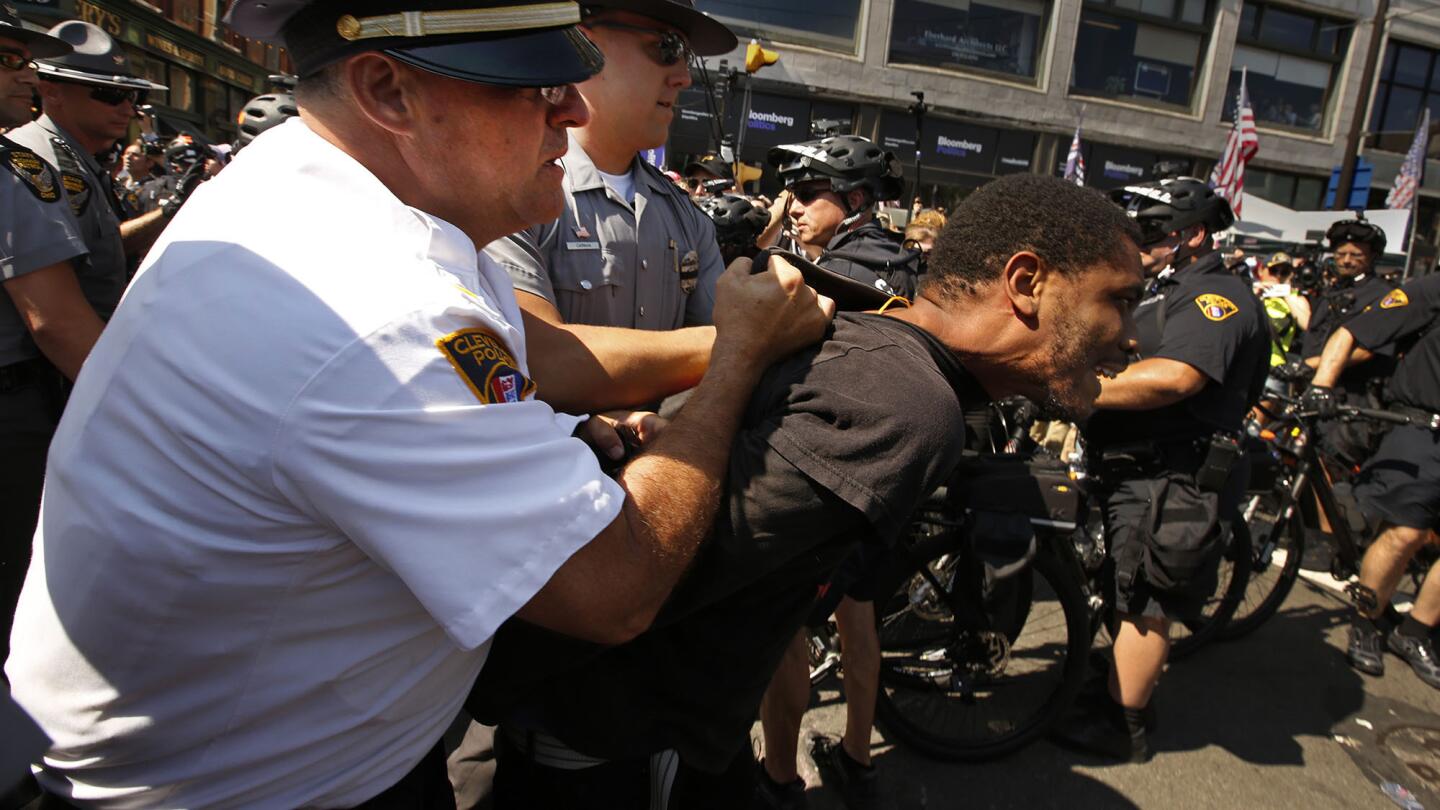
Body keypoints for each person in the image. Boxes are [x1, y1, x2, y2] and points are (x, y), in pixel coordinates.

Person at [4, 0, 835, 805]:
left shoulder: (328, 186)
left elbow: (515, 363)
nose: (573, 109)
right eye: (537, 85)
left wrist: (560, 428)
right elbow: (613, 587)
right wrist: (733, 369)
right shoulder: (377, 301)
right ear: (386, 91)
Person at [468, 174, 1145, 809]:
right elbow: (637, 572)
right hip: (613, 750)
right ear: (1025, 282)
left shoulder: (885, 355)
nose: (1132, 336)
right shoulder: (908, 406)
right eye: (1119, 299)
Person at [1054, 177, 1270, 763]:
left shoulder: (1212, 296)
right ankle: (1118, 686)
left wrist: (1072, 390)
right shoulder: (1159, 288)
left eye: (1149, 231)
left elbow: (1176, 377)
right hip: (1131, 467)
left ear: (1192, 235)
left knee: (1144, 600)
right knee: (1121, 583)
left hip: (1174, 473)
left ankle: (1124, 725)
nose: (1137, 241)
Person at [480, 0, 735, 415]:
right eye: (667, 48)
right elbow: (538, 361)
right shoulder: (514, 194)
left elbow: (726, 373)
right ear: (584, 47)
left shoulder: (687, 217)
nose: (684, 77)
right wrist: (742, 341)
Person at [1306, 273, 1440, 689]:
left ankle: (1414, 632)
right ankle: (1367, 620)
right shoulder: (1432, 289)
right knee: (1405, 532)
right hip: (1423, 427)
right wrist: (1322, 384)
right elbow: (1354, 330)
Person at [0, 3, 83, 667]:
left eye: (23, 57)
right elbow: (55, 320)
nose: (23, 72)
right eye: (6, 58)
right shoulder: (13, 171)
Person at [8, 21, 170, 278]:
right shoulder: (34, 160)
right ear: (52, 93)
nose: (128, 109)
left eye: (134, 97)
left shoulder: (79, 159)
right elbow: (54, 314)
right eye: (111, 94)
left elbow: (102, 249)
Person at [760, 134, 923, 299]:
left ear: (854, 200)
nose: (794, 209)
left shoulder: (834, 278)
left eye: (806, 194)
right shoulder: (900, 255)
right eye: (793, 197)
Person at [1299, 216, 1397, 466]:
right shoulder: (1332, 292)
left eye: (1356, 255)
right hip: (1315, 395)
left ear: (1373, 256)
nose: (1346, 260)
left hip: (1351, 403)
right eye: (1341, 253)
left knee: (1332, 469)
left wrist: (1312, 365)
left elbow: (1367, 350)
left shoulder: (1382, 295)